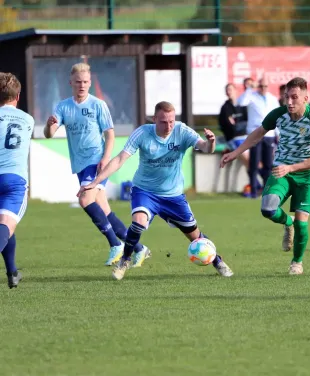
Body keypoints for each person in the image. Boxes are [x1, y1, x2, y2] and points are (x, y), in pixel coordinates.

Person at [78, 101, 233, 280]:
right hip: (145, 191)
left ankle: (218, 261)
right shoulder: (143, 133)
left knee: (195, 236)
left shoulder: (182, 131)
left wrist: (211, 142)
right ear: (154, 119)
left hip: (173, 195)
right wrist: (96, 182)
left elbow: (206, 148)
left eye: (171, 122)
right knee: (138, 222)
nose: (168, 126)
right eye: (163, 122)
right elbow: (120, 159)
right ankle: (125, 261)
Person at [43, 63, 148, 267]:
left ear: (90, 83)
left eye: (85, 82)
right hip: (81, 165)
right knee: (105, 211)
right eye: (78, 82)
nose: (82, 85)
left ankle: (115, 245)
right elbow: (50, 134)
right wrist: (49, 125)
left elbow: (109, 134)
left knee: (85, 199)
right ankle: (138, 248)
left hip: (96, 161)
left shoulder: (98, 104)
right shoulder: (63, 106)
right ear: (70, 83)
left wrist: (105, 158)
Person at [221, 77, 310, 275]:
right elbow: (258, 133)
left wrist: (291, 168)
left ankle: (297, 262)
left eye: (295, 97)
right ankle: (288, 224)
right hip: (282, 171)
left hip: (307, 175)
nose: (290, 102)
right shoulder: (279, 114)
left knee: (302, 222)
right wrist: (235, 153)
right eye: (287, 97)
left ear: (305, 98)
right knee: (267, 208)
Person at [0, 73, 33, 288]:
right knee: (5, 226)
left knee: (4, 227)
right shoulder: (28, 119)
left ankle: (12, 273)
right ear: (18, 96)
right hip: (14, 181)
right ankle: (12, 272)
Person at [238, 77, 281, 198]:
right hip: (255, 134)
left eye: (265, 86)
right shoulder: (251, 95)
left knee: (268, 164)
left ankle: (266, 190)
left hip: (269, 134)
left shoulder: (272, 99)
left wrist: (278, 133)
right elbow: (241, 102)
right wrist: (249, 88)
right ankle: (253, 191)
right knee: (254, 163)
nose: (263, 89)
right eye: (261, 86)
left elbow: (277, 117)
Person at [218, 83, 249, 168]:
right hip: (234, 138)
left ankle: (255, 180)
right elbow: (231, 127)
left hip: (246, 137)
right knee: (248, 160)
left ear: (236, 91)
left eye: (230, 89)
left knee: (256, 160)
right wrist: (240, 125)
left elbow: (248, 122)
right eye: (227, 90)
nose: (229, 92)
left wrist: (238, 125)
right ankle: (255, 181)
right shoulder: (225, 108)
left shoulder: (242, 105)